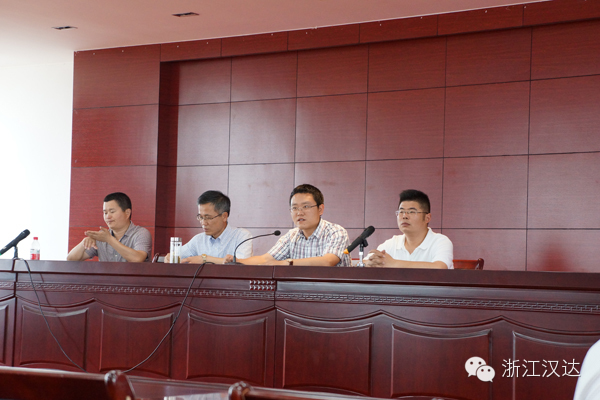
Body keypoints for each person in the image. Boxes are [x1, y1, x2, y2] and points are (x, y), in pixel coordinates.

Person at [225, 184, 351, 266]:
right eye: (294, 208)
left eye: (306, 207)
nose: (299, 212)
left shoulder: (336, 232)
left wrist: (287, 263)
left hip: (334, 294)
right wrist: (238, 261)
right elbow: (266, 259)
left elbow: (328, 261)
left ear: (320, 209)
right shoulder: (292, 236)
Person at [364, 189, 453, 269]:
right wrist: (370, 263)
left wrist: (393, 263)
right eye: (401, 211)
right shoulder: (392, 244)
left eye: (411, 212)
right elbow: (363, 262)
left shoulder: (440, 241)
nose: (404, 216)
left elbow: (439, 267)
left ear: (427, 218)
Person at [165, 190, 252, 264]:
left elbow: (241, 264)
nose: (203, 223)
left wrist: (205, 259)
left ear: (224, 216)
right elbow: (176, 256)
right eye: (200, 217)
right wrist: (170, 257)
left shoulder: (241, 236)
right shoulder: (198, 240)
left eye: (208, 217)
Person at [67, 192, 152, 262]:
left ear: (127, 213)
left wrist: (109, 240)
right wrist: (84, 242)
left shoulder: (141, 233)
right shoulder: (101, 236)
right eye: (105, 213)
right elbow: (71, 259)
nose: (108, 216)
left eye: (112, 211)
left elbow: (138, 259)